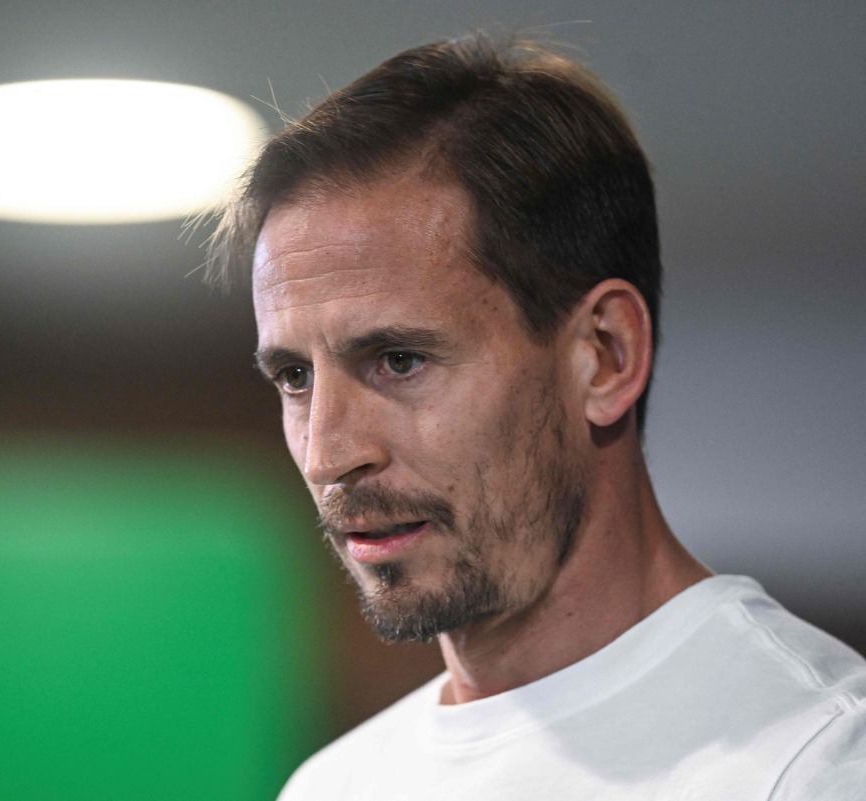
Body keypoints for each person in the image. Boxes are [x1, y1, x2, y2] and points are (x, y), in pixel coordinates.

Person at [204, 34, 866, 799]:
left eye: (399, 359)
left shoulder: (817, 761)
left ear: (605, 355)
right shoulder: (332, 786)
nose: (327, 453)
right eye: (293, 376)